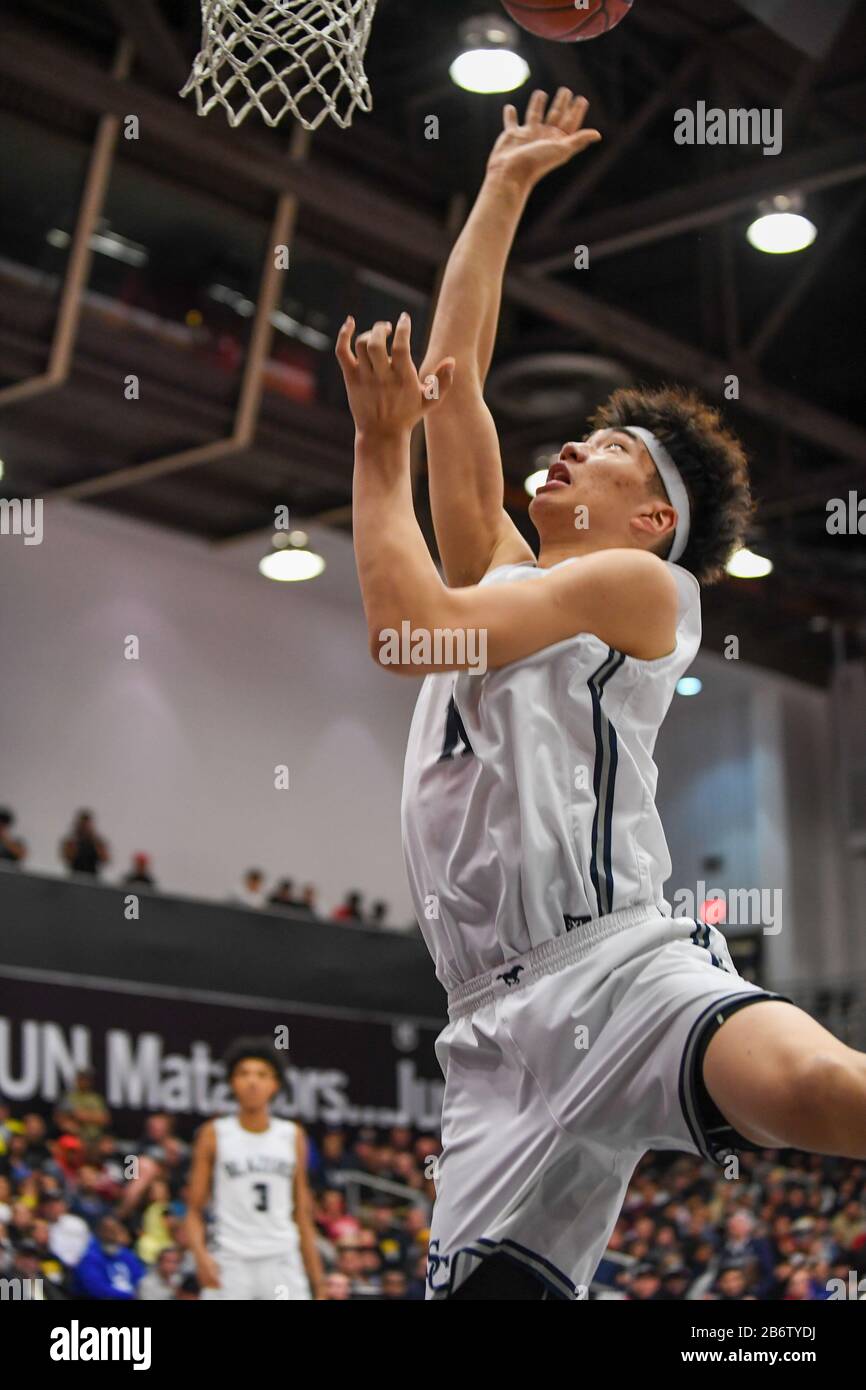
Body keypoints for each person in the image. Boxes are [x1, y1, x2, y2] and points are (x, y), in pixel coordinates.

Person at [336, 86, 866, 1301]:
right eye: (579, 437)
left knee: (812, 1092)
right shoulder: (512, 578)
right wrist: (503, 190)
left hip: (616, 967)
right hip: (486, 1031)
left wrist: (376, 457)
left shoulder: (641, 590)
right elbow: (454, 382)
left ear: (651, 518)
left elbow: (410, 633)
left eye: (611, 453)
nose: (569, 447)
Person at [184, 1037, 326, 1300]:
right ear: (231, 1082)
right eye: (243, 1073)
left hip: (281, 1256)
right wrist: (201, 1257)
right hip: (230, 1258)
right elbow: (193, 1210)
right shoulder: (214, 1133)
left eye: (262, 1074)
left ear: (275, 1084)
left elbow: (302, 1213)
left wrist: (318, 1282)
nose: (252, 1081)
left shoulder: (292, 1135)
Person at [60, 809, 110, 877]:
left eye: (87, 825)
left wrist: (94, 841)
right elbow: (68, 857)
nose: (85, 828)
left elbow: (105, 859)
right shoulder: (72, 841)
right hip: (75, 875)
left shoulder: (97, 842)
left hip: (93, 877)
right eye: (83, 825)